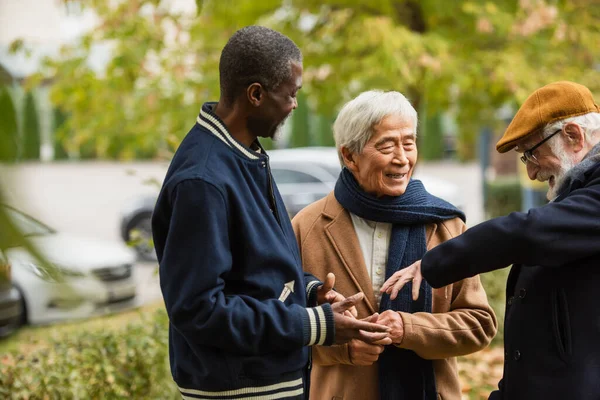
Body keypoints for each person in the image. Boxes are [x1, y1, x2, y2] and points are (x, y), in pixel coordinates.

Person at [151, 26, 390, 400]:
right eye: (290, 94)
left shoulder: (245, 154)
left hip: (266, 380)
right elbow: (200, 310)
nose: (295, 105)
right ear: (256, 94)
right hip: (239, 390)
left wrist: (311, 294)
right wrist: (314, 324)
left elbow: (254, 269)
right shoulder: (203, 181)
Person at [381, 81, 600, 400]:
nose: (532, 173)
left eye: (533, 153)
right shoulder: (578, 195)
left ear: (573, 136)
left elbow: (525, 233)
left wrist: (433, 264)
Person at [292, 90, 497, 400]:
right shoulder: (306, 228)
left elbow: (480, 325)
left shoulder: (446, 226)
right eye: (386, 145)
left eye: (409, 143)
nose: (402, 158)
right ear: (349, 156)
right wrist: (340, 345)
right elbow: (277, 328)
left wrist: (409, 328)